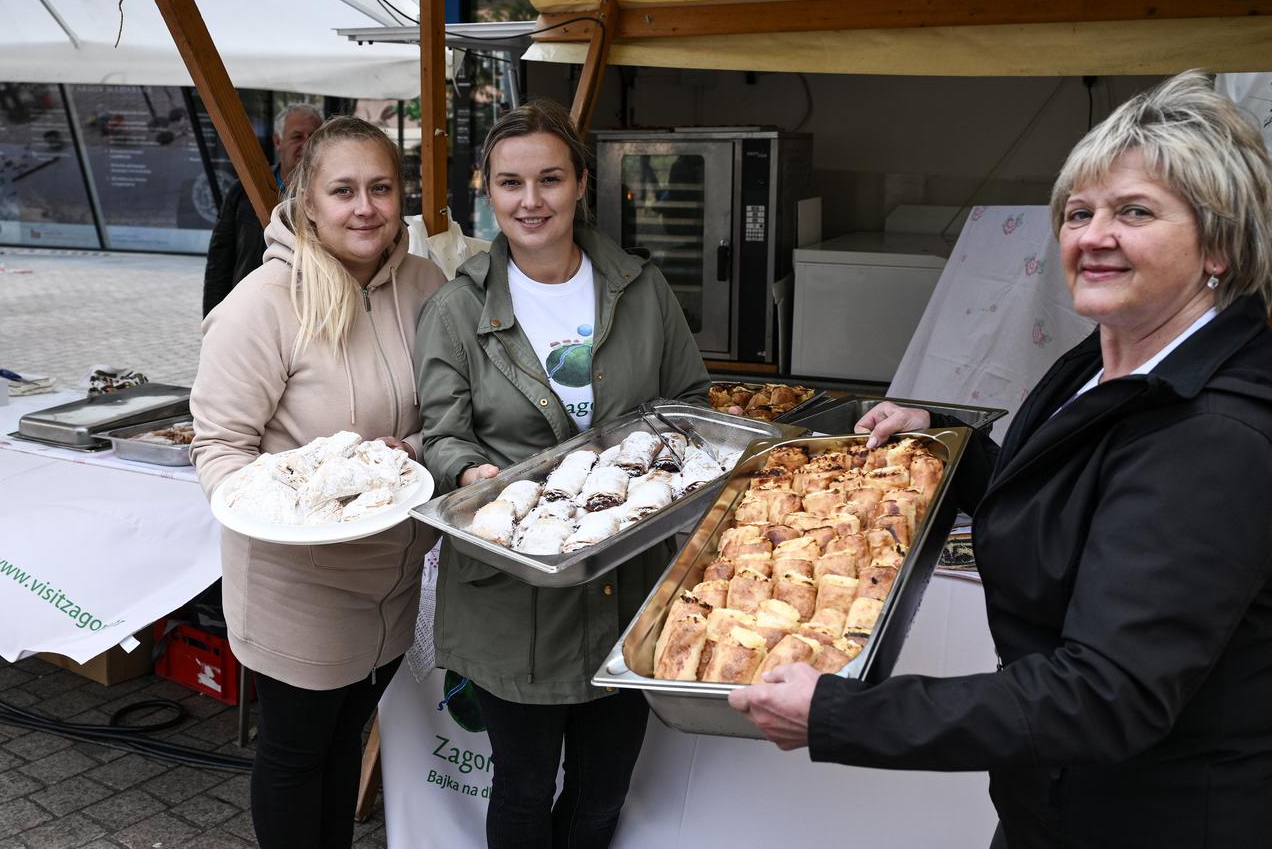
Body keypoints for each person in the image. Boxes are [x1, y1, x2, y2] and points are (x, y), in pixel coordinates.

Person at [730, 70, 1272, 849]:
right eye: (1078, 212)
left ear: (1219, 243)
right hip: (1052, 797)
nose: (1092, 235)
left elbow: (1103, 693)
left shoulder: (1214, 436)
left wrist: (842, 713)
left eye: (1135, 212)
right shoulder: (1111, 356)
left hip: (1151, 815)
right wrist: (944, 439)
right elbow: (1069, 505)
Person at [415, 98, 711, 849]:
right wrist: (477, 473)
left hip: (630, 580)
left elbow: (695, 408)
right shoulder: (457, 310)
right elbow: (439, 437)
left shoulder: (640, 289)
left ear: (582, 183)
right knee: (521, 786)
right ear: (488, 190)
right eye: (511, 183)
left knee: (603, 791)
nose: (531, 199)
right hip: (515, 596)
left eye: (550, 178)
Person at [190, 116, 446, 849]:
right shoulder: (260, 307)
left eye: (381, 188)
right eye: (343, 191)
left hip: (391, 581)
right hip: (296, 588)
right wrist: (291, 507)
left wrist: (409, 453)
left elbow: (454, 412)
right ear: (308, 203)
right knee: (298, 756)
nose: (364, 207)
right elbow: (218, 448)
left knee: (344, 744)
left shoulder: (428, 283)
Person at [202, 103, 323, 317]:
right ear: (278, 141)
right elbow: (219, 264)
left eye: (314, 137)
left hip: (308, 314)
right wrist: (214, 319)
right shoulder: (244, 191)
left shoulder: (334, 197)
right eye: (297, 137)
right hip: (249, 311)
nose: (306, 145)